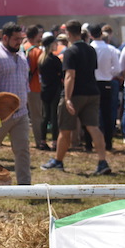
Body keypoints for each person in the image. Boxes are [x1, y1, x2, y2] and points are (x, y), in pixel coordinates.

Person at [42, 20, 112, 175]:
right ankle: (102, 161)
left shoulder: (70, 51)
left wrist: (67, 98)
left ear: (68, 33)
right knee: (93, 127)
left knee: (65, 129)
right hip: (93, 92)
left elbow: (70, 76)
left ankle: (58, 161)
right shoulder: (91, 49)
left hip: (75, 94)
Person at [0, 22, 33, 184]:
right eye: (16, 39)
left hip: (21, 114)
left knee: (23, 150)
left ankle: (25, 187)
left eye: (21, 38)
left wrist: (24, 104)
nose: (19, 42)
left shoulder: (22, 56)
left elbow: (25, 85)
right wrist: (6, 105)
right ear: (5, 37)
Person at [90, 23, 120, 151]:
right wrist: (108, 73)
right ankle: (108, 143)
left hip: (92, 83)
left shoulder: (89, 48)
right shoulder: (111, 49)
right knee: (107, 114)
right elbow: (117, 69)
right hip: (106, 83)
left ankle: (90, 142)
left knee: (91, 113)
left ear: (91, 35)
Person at [37, 32, 62, 151]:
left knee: (45, 116)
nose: (57, 45)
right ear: (51, 45)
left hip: (44, 89)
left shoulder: (41, 60)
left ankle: (42, 141)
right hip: (55, 90)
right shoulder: (55, 59)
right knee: (54, 117)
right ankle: (55, 142)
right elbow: (60, 74)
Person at [22, 25, 46, 148]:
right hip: (34, 87)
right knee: (36, 116)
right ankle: (39, 141)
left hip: (20, 86)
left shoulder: (20, 48)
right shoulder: (38, 52)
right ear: (36, 35)